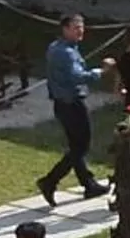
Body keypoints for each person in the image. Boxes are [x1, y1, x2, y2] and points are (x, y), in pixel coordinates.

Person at [38, 14, 105, 206]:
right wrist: (100, 72)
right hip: (71, 103)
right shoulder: (66, 52)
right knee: (81, 146)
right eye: (76, 27)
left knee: (75, 146)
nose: (81, 31)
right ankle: (50, 181)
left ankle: (88, 183)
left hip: (62, 104)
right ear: (65, 29)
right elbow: (77, 76)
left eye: (82, 27)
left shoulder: (56, 47)